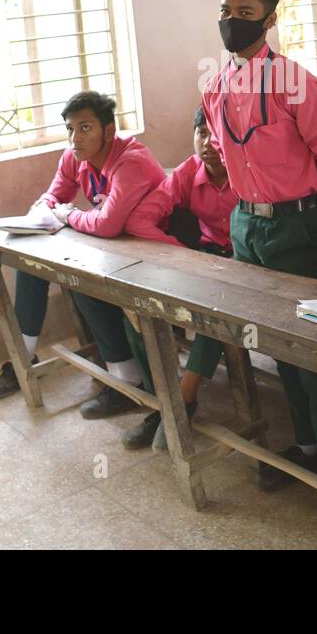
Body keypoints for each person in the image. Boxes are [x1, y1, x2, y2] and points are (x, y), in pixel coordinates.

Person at [199, 0, 317, 527]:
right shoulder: (217, 85)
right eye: (226, 10)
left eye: (245, 13)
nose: (232, 22)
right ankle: (308, 450)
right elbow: (225, 154)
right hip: (247, 227)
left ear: (270, 17)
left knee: (315, 357)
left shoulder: (294, 82)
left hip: (298, 225)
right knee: (276, 350)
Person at [0, 91, 172, 419]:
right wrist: (44, 209)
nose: (75, 138)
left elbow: (109, 223)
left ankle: (127, 379)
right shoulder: (74, 157)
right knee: (34, 263)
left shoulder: (132, 161)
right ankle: (23, 358)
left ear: (109, 131)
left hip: (154, 254)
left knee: (81, 279)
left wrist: (67, 215)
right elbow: (55, 196)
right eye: (70, 129)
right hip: (115, 248)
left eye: (85, 128)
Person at [119, 108, 241, 451]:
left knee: (210, 313)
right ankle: (163, 398)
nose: (208, 143)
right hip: (204, 258)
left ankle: (181, 402)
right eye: (201, 133)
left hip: (246, 263)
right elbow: (141, 220)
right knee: (136, 307)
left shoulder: (249, 170)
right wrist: (183, 254)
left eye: (216, 134)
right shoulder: (188, 172)